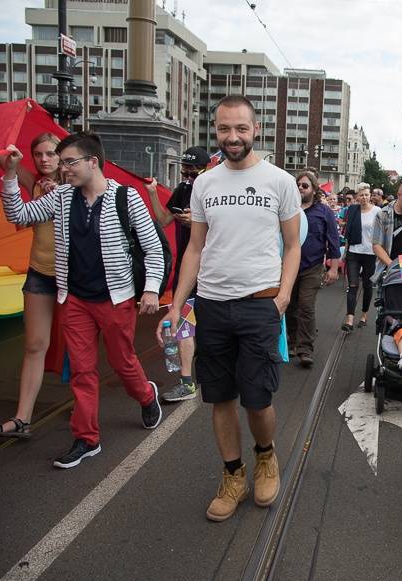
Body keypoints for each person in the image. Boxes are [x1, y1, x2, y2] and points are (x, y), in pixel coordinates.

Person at [157, 95, 301, 521]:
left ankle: (265, 456)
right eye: (224, 129)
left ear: (255, 129)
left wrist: (283, 296)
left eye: (240, 128)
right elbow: (195, 248)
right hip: (213, 308)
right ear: (215, 131)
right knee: (219, 398)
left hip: (260, 306)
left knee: (258, 400)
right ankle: (233, 473)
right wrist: (177, 303)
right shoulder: (205, 184)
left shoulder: (279, 181)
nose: (232, 137)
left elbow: (292, 246)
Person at [1, 132, 164, 468]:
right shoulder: (61, 196)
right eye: (61, 163)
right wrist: (9, 174)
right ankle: (86, 438)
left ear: (93, 162)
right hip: (74, 298)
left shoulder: (126, 197)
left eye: (69, 162)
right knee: (82, 371)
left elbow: (153, 248)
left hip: (115, 300)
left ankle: (146, 396)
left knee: (122, 363)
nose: (62, 169)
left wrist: (151, 289)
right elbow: (18, 215)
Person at [0, 133, 62, 438]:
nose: (45, 160)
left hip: (76, 279)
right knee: (33, 345)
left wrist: (62, 190)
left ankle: (92, 417)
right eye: (39, 154)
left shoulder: (76, 181)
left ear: (62, 154)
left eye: (51, 153)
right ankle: (22, 418)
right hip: (40, 274)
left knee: (82, 349)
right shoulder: (32, 181)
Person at [144, 146, 210, 402]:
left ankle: (217, 371)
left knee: (213, 326)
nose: (189, 178)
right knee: (184, 323)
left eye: (194, 173)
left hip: (217, 271)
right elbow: (163, 220)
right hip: (187, 269)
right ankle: (186, 381)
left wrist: (198, 222)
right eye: (186, 172)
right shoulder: (183, 190)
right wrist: (152, 194)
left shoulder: (216, 190)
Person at [287, 170, 341, 368]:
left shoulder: (323, 211)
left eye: (305, 185)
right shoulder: (288, 209)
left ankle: (305, 349)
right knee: (290, 306)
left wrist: (333, 268)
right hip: (288, 267)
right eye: (298, 185)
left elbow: (333, 241)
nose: (301, 188)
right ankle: (292, 342)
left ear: (314, 189)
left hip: (312, 267)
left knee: (306, 306)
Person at [341, 182, 378, 332]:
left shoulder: (377, 211)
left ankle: (364, 315)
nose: (364, 197)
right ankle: (349, 319)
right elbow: (348, 231)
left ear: (370, 196)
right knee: (353, 285)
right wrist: (346, 251)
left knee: (368, 285)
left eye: (367, 195)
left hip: (370, 253)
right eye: (361, 195)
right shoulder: (353, 210)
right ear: (357, 197)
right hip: (354, 252)